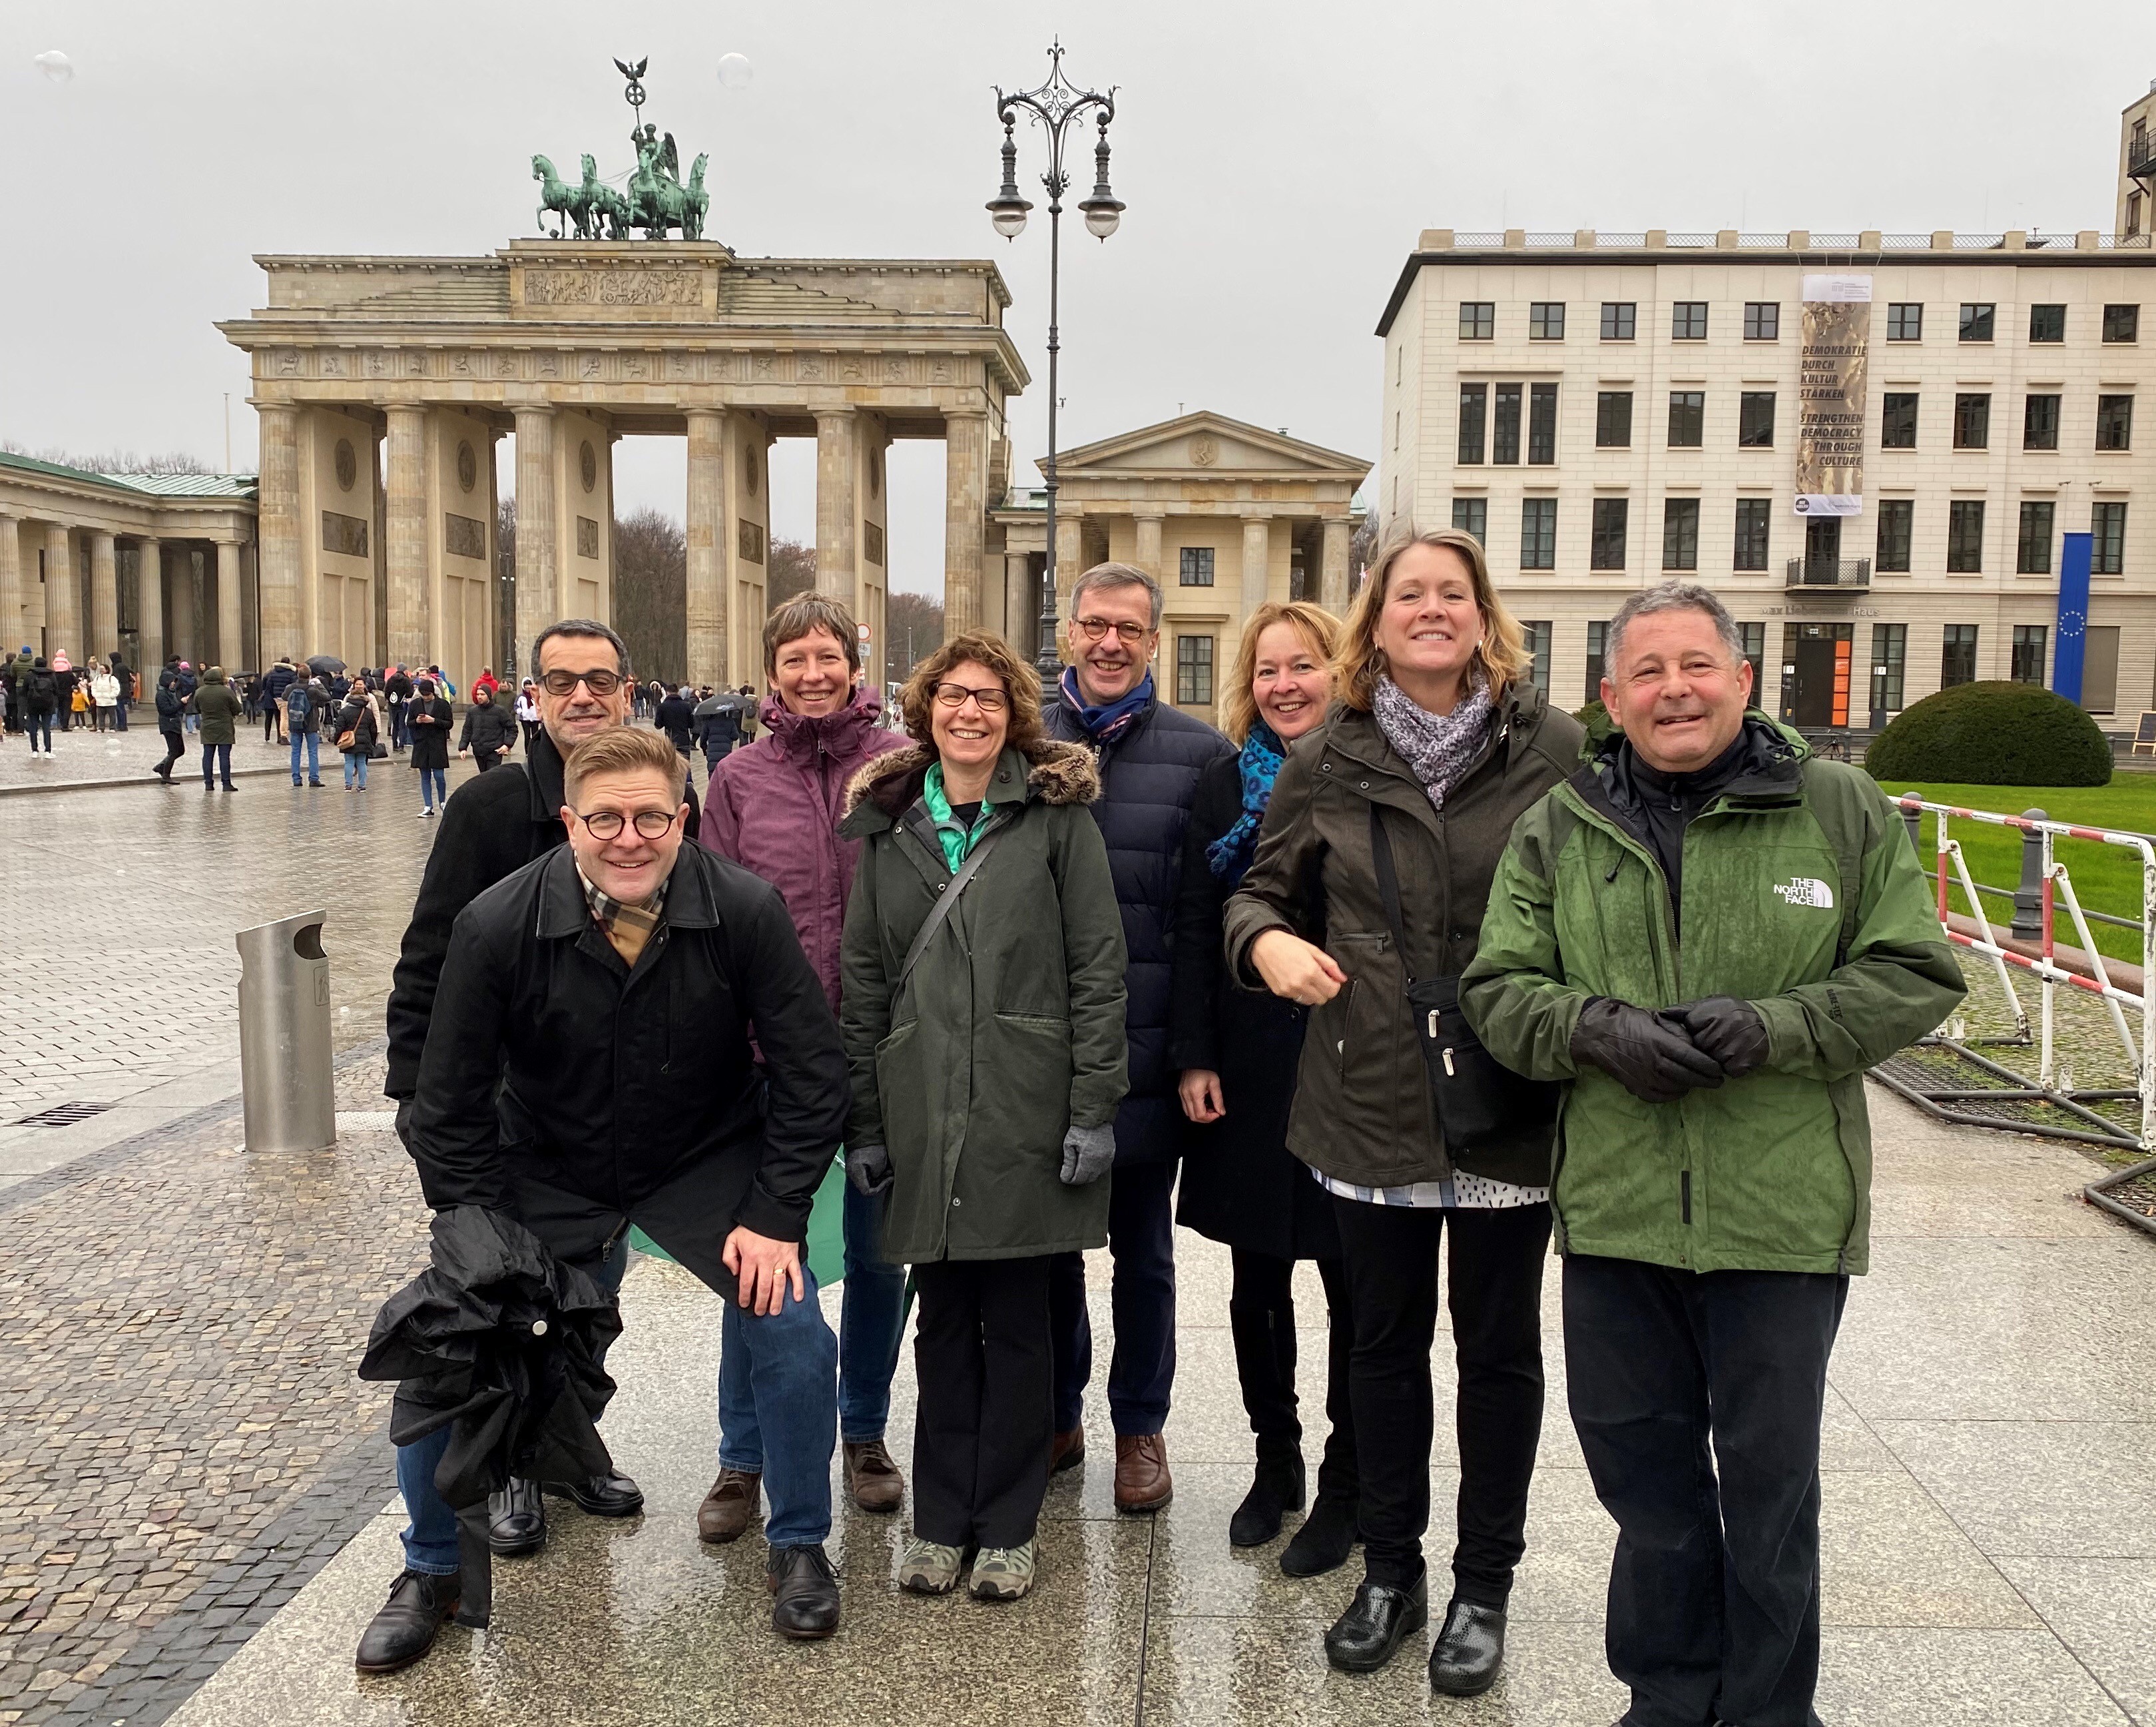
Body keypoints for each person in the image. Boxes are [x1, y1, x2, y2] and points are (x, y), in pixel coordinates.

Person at [1462, 579, 1966, 1726]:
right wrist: (1596, 1029)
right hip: (1618, 1212)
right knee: (1647, 1490)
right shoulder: (1561, 823)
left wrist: (1777, 1026)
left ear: (1742, 679)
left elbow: (1913, 972)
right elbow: (1498, 989)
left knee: (1769, 1491)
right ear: (1610, 698)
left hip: (1779, 1215)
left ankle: (1770, 1710)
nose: (1673, 689)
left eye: (1695, 665)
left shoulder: (1835, 807)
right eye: (1645, 671)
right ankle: (1667, 1695)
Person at [358, 725, 852, 1674]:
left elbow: (812, 1075)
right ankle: (430, 1568)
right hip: (548, 1162)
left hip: (703, 1157)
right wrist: (473, 1228)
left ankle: (797, 1542)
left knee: (790, 1326)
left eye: (651, 818)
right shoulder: (497, 922)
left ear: (684, 819)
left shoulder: (744, 909)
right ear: (569, 821)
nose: (630, 838)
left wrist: (774, 1214)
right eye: (607, 819)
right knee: (448, 1343)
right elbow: (448, 1100)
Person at [1224, 523, 1584, 1689]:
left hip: (1504, 1087)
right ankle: (1390, 1568)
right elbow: (1258, 893)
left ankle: (1483, 1583)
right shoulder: (1328, 753)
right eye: (1407, 594)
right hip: (1369, 1085)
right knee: (1380, 1346)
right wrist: (1266, 943)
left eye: (1452, 592)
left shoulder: (1553, 748)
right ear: (1374, 623)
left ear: (1482, 615)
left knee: (1497, 1351)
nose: (1431, 608)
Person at [385, 618, 702, 1559]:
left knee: (591, 1298)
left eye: (599, 679)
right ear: (535, 697)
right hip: (504, 1112)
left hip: (607, 1111)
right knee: (508, 1302)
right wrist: (414, 1093)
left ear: (629, 690)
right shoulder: (487, 808)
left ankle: (567, 1444)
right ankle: (513, 1468)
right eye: (561, 681)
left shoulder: (659, 798)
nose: (582, 696)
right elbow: (428, 954)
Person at [839, 630, 1127, 1602]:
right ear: (926, 710)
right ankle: (939, 1518)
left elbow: (1097, 970)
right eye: (953, 695)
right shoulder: (888, 827)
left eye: (990, 698)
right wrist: (866, 1123)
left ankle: (1006, 1524)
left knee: (1017, 1320)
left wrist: (1092, 1107)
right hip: (924, 1103)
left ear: (1014, 717)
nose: (970, 711)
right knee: (942, 1323)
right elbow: (864, 982)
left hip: (1023, 1103)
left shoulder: (1055, 821)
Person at [698, 596, 910, 1537]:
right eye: (795, 659)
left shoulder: (899, 767)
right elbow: (707, 914)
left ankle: (862, 1430)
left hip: (879, 1050)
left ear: (853, 666)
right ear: (771, 672)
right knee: (760, 1258)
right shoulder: (737, 777)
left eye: (827, 656)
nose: (813, 673)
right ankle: (743, 1452)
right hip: (767, 1055)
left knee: (878, 1256)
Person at [1169, 600, 1360, 1566]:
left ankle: (1346, 1475)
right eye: (1267, 669)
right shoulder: (1222, 782)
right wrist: (1195, 1054)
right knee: (1257, 1278)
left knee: (1355, 1282)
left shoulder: (1372, 770)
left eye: (1303, 665)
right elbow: (1193, 927)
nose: (1284, 685)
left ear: (1340, 670)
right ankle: (1273, 1456)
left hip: (1353, 1061)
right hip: (1247, 1059)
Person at [1042, 561, 1233, 1514]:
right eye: (1094, 625)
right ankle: (1057, 1411)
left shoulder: (1202, 755)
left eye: (1128, 628)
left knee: (1143, 1255)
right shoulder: (1023, 738)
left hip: (1145, 1044)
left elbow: (1207, 919)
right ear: (1069, 632)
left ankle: (1140, 1425)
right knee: (1050, 1251)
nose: (1109, 642)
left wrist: (1196, 1051)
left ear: (1154, 641)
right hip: (1043, 1048)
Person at [189, 667, 242, 792]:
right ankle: (226, 784)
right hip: (225, 727)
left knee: (207, 756)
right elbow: (237, 709)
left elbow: (197, 708)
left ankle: (208, 784)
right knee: (224, 756)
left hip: (207, 727)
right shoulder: (226, 692)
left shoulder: (200, 692)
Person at [407, 676, 453, 818]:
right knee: (425, 776)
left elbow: (449, 724)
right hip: (421, 744)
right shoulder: (415, 704)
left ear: (432, 692)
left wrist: (434, 720)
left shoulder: (443, 704)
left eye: (428, 694)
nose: (426, 697)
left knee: (439, 775)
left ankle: (442, 802)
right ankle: (428, 806)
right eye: (423, 695)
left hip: (437, 744)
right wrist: (417, 721)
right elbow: (409, 723)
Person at [457, 683, 516, 771]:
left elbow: (512, 729)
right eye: (478, 694)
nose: (479, 697)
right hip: (479, 751)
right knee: (483, 776)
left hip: (494, 751)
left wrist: (507, 745)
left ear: (488, 695)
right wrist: (463, 748)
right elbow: (467, 731)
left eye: (482, 694)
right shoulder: (472, 711)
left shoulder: (500, 711)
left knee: (492, 776)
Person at [335, 680, 381, 791]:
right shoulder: (368, 712)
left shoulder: (344, 711)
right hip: (364, 741)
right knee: (362, 762)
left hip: (348, 741)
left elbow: (339, 727)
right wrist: (372, 742)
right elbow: (373, 729)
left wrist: (336, 740)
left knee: (349, 762)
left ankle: (348, 785)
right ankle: (362, 786)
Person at [691, 684, 746, 772]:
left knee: (713, 774)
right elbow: (735, 736)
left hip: (712, 754)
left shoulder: (708, 722)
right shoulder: (729, 721)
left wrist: (705, 750)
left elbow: (703, 740)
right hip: (726, 753)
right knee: (724, 775)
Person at [286, 674, 325, 787]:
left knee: (295, 752)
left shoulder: (290, 688)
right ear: (309, 676)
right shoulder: (313, 690)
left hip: (295, 722)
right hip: (311, 723)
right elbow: (327, 697)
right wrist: (319, 685)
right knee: (313, 752)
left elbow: (284, 697)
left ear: (298, 675)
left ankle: (296, 779)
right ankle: (314, 779)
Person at [150, 671, 186, 782]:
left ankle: (161, 767)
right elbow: (166, 710)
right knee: (174, 751)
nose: (174, 683)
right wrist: (181, 703)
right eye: (172, 681)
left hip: (174, 724)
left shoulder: (170, 692)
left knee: (180, 750)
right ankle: (166, 775)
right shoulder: (161, 694)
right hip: (168, 724)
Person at [21, 655, 57, 756]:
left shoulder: (29, 675)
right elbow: (56, 689)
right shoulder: (51, 675)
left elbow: (24, 690)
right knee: (46, 728)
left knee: (33, 728)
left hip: (33, 704)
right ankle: (47, 751)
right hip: (48, 704)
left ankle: (35, 750)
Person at [655, 682, 695, 757]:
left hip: (670, 740)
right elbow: (692, 724)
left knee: (671, 762)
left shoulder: (662, 707)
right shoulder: (686, 706)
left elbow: (658, 725)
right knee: (685, 762)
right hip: (684, 740)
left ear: (667, 692)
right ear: (678, 692)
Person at [262, 656, 296, 743]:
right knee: (283, 717)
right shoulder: (291, 673)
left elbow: (268, 686)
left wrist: (274, 696)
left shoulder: (272, 673)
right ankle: (282, 736)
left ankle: (268, 736)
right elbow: (294, 685)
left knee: (269, 718)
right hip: (286, 698)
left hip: (275, 698)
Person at [385, 664, 413, 752]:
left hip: (393, 705)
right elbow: (410, 693)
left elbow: (386, 692)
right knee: (402, 725)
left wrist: (391, 701)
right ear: (405, 670)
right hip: (402, 705)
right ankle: (401, 745)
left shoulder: (390, 679)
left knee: (395, 725)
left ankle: (394, 745)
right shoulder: (406, 680)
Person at [514, 678, 541, 753]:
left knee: (535, 736)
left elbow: (540, 704)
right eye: (526, 685)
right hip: (525, 719)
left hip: (535, 718)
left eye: (529, 685)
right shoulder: (521, 697)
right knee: (527, 736)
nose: (528, 687)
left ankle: (535, 751)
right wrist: (521, 712)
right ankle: (528, 751)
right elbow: (516, 706)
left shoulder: (536, 695)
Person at [89, 663, 118, 733]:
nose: (101, 670)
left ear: (107, 670)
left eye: (102, 669)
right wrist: (95, 695)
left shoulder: (112, 678)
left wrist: (112, 696)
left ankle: (112, 728)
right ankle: (101, 728)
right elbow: (94, 687)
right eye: (100, 669)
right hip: (100, 701)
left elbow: (116, 688)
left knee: (112, 716)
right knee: (100, 716)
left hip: (110, 701)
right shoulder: (97, 678)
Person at [109, 652, 132, 732]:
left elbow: (116, 678)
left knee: (119, 708)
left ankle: (121, 725)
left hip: (120, 689)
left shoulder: (117, 667)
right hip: (125, 689)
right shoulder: (124, 666)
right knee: (121, 708)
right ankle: (123, 725)